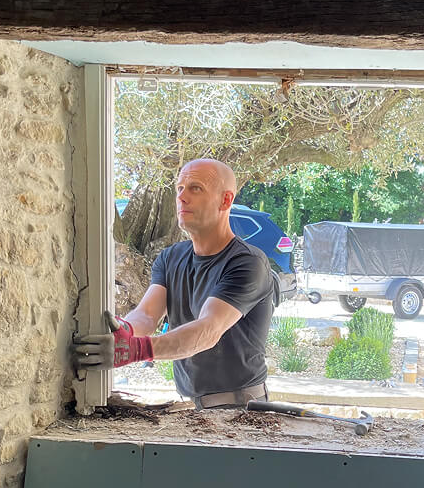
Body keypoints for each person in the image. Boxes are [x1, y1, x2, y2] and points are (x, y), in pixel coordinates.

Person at [74, 158, 276, 409]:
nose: (182, 197)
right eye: (180, 188)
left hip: (239, 407)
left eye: (196, 188)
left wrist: (137, 349)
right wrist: (125, 330)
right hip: (190, 405)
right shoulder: (171, 257)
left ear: (225, 200)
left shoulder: (247, 262)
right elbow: (147, 316)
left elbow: (207, 331)